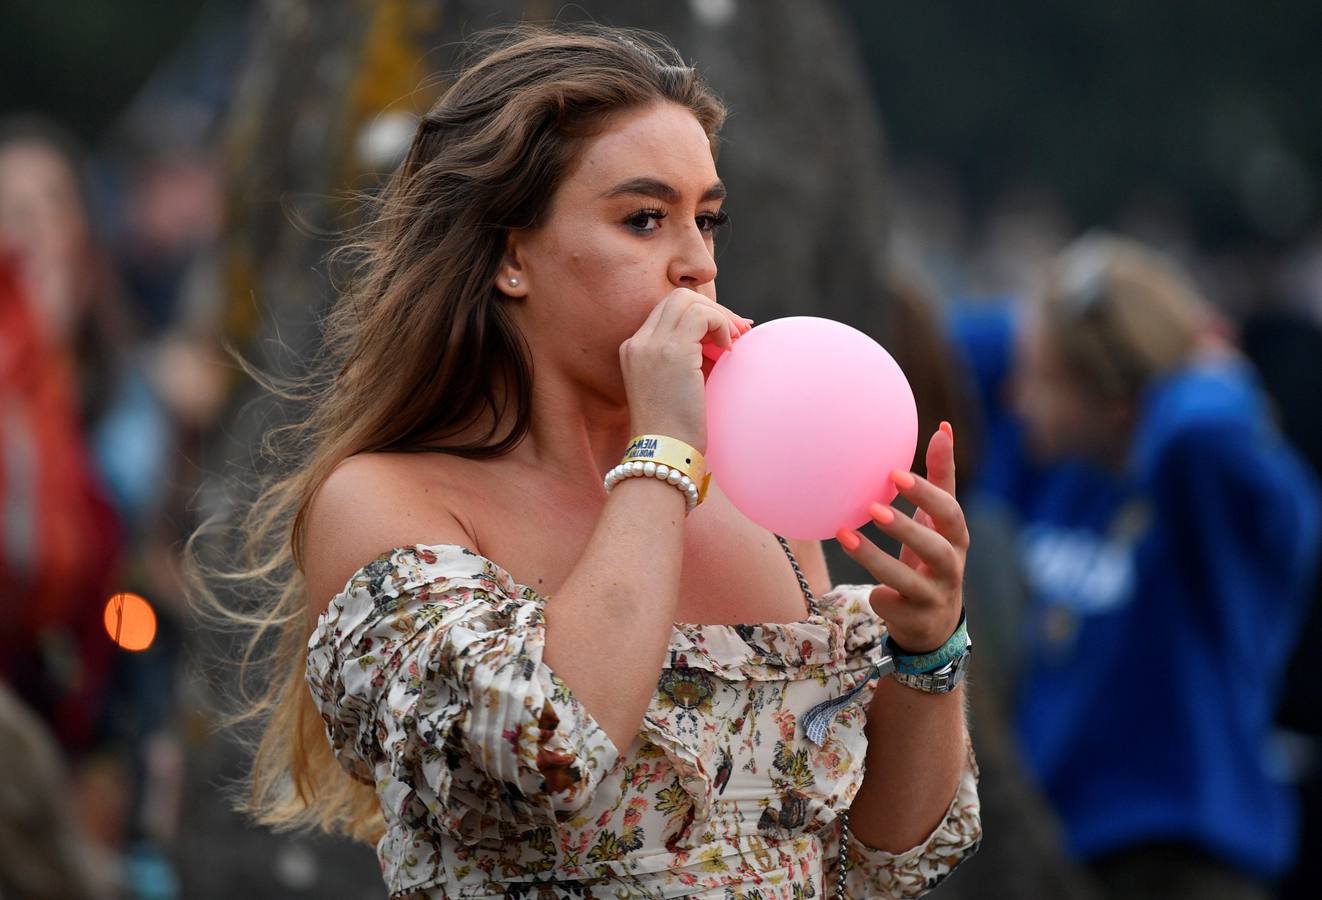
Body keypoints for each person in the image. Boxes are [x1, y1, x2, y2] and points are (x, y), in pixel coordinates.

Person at [204, 26, 981, 898]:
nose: (696, 263)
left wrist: (926, 650)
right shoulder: (388, 500)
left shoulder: (754, 491)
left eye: (707, 219)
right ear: (509, 255)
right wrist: (662, 458)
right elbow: (548, 750)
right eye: (644, 220)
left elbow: (881, 858)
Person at [952, 233, 1320, 900]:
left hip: (1185, 860)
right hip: (1067, 848)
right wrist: (1063, 297)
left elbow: (1203, 425)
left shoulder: (1208, 491)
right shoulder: (1058, 472)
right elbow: (949, 354)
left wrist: (1198, 360)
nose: (1014, 397)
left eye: (1039, 376)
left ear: (1114, 401)